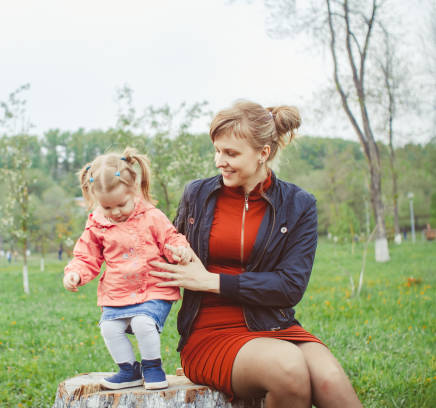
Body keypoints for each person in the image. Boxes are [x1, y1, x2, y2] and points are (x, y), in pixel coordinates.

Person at [150, 101, 362, 407]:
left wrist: (212, 281)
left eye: (231, 153)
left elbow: (289, 287)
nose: (219, 161)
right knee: (289, 370)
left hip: (274, 324)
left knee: (330, 383)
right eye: (217, 150)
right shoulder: (196, 195)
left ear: (263, 153)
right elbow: (164, 248)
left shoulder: (299, 205)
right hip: (210, 331)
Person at [62, 147, 191, 390]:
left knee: (143, 323)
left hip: (153, 288)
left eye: (121, 204)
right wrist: (76, 273)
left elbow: (170, 238)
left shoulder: (151, 216)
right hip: (117, 292)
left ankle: (153, 367)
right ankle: (129, 370)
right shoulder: (96, 225)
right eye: (107, 208)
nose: (115, 212)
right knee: (109, 328)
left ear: (134, 191)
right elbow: (86, 255)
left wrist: (178, 251)